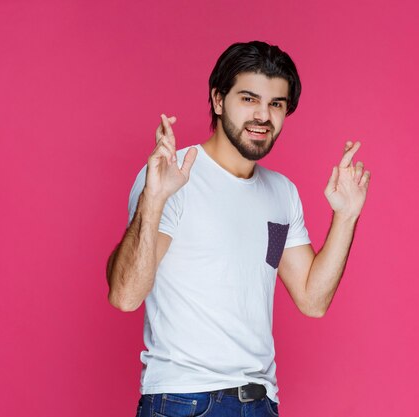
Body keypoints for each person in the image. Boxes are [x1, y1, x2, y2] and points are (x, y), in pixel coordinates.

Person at [106, 40, 370, 417]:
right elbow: (125, 296)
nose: (263, 115)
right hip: (186, 400)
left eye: (276, 104)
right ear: (218, 100)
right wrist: (154, 198)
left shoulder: (281, 193)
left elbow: (312, 299)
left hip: (261, 403)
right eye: (248, 99)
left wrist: (346, 217)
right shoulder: (173, 176)